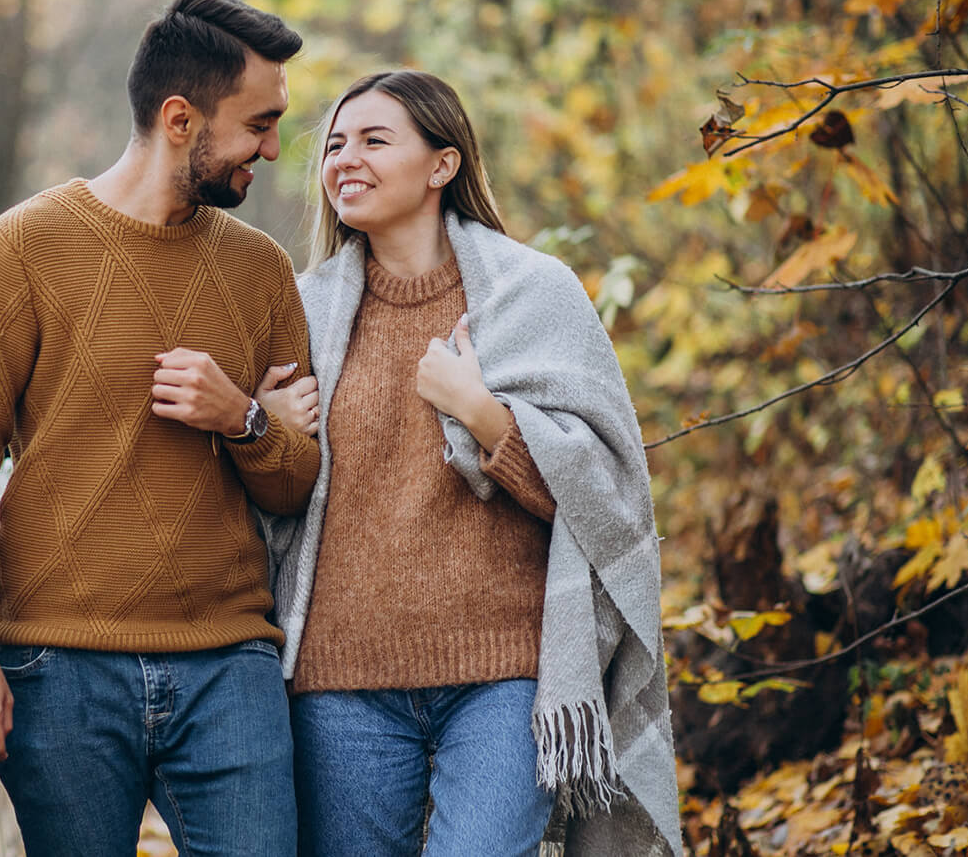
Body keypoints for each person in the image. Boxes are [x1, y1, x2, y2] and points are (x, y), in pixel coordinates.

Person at [0, 0, 321, 857]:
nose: (274, 147)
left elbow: (296, 482)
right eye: (259, 123)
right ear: (182, 118)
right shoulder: (23, 246)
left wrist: (242, 417)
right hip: (58, 668)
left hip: (229, 665)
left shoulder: (262, 272)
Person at [256, 70, 681, 856]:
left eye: (375, 141)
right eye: (335, 145)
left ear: (442, 165)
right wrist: (265, 426)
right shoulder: (298, 309)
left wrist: (483, 414)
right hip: (340, 684)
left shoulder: (537, 296)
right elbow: (269, 495)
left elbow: (607, 503)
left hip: (504, 679)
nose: (345, 159)